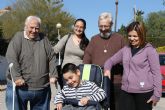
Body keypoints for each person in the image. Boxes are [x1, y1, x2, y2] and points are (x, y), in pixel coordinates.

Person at [104, 21, 162, 110]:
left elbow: (157, 74)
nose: (132, 38)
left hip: (144, 93)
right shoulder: (125, 49)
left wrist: (157, 95)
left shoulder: (150, 50)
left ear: (141, 35)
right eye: (129, 36)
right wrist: (107, 69)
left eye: (135, 36)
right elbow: (110, 61)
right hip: (125, 92)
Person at [5, 16, 58, 110]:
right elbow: (11, 57)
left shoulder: (44, 39)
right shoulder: (18, 37)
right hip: (19, 88)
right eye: (31, 27)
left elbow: (52, 57)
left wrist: (53, 74)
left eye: (37, 28)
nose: (34, 30)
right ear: (25, 26)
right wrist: (17, 77)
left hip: (41, 88)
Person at [83, 12, 125, 110]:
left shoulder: (120, 39)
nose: (102, 29)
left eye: (105, 26)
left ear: (111, 25)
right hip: (97, 82)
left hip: (116, 81)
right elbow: (87, 58)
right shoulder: (94, 39)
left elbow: (126, 58)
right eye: (100, 26)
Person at [53, 18, 89, 88]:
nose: (78, 29)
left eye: (81, 27)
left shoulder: (86, 42)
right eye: (77, 26)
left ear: (84, 28)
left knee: (79, 96)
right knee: (67, 95)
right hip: (66, 73)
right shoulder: (67, 37)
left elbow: (89, 59)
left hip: (80, 74)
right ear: (74, 26)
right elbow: (55, 50)